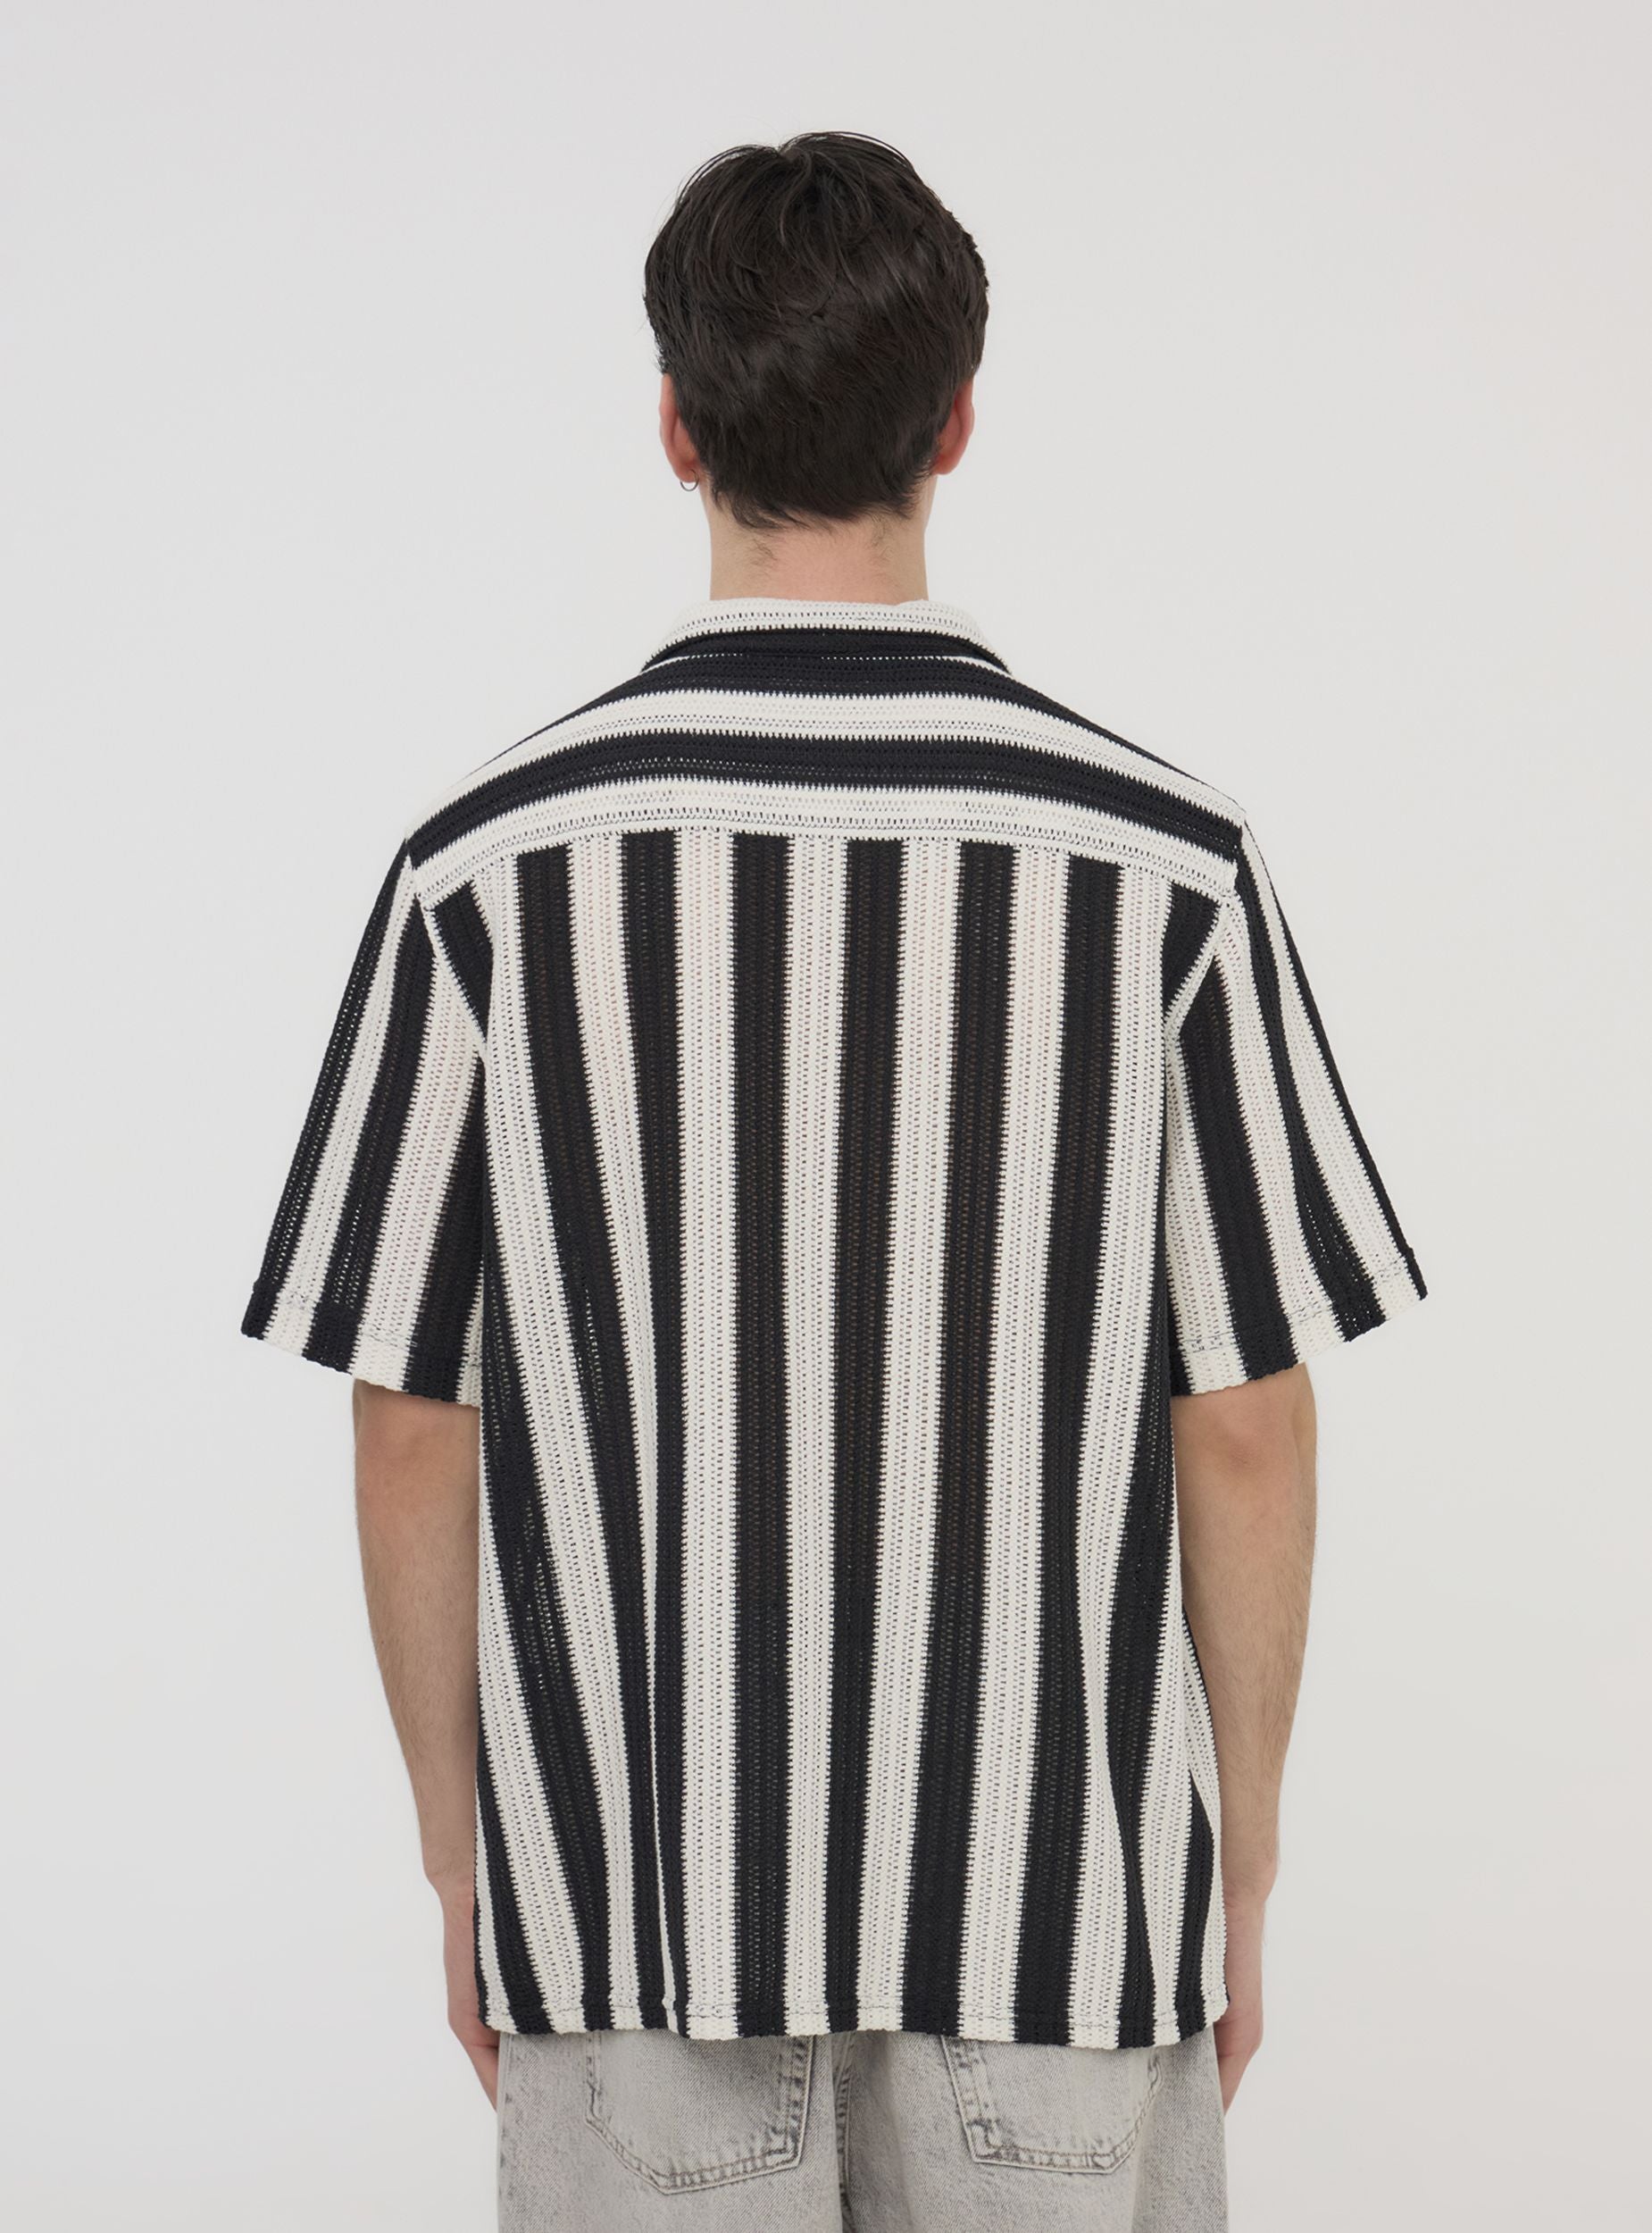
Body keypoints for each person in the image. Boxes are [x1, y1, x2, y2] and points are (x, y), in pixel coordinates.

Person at [241, 131, 1427, 2233]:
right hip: (1059, 1928)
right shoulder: (1166, 867)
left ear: (676, 426)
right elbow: (1244, 1411)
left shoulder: (485, 873)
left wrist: (462, 1855)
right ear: (955, 421)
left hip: (636, 1916)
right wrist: (1237, 1860)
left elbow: (410, 1413)